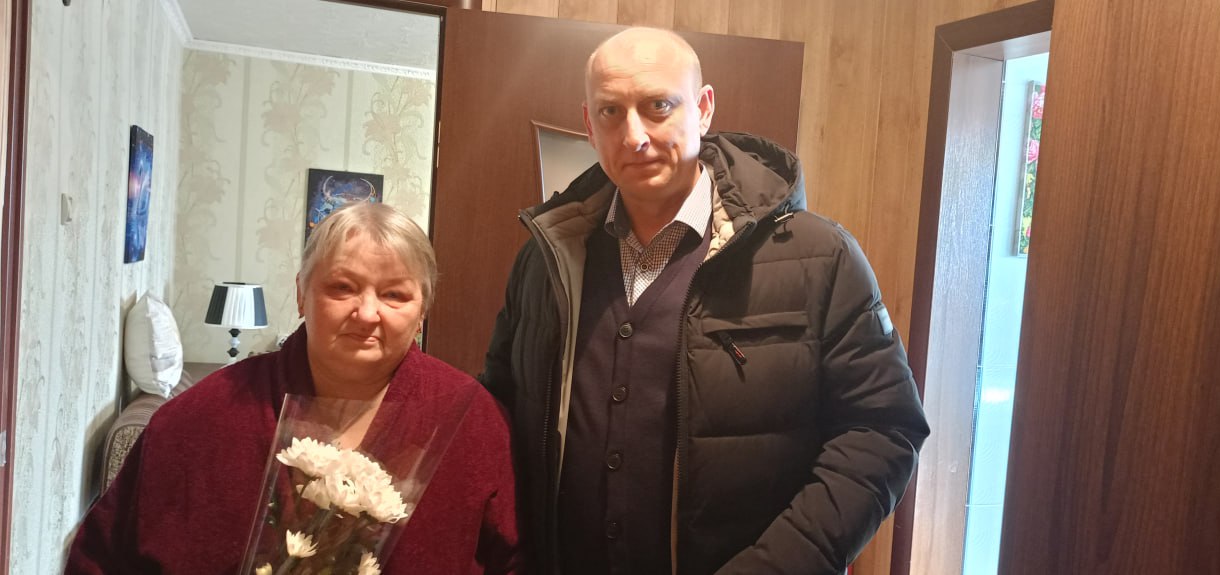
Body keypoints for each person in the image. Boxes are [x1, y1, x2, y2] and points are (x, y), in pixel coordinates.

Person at [480, 27, 930, 575]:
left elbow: (882, 430)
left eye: (658, 106)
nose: (634, 136)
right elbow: (497, 413)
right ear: (589, 125)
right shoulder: (546, 261)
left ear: (704, 108)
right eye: (611, 112)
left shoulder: (820, 258)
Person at [66, 203, 522, 574]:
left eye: (395, 295)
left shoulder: (473, 422)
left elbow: (515, 562)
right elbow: (100, 558)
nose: (367, 313)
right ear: (301, 294)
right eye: (342, 287)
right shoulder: (202, 417)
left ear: (422, 310)